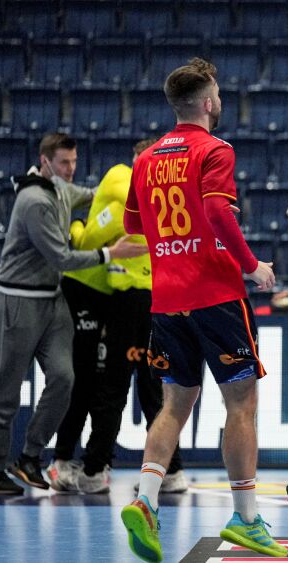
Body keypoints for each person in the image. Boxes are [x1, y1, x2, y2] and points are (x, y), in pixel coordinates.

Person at [120, 58, 284, 562]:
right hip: (215, 295)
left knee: (173, 406)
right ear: (209, 102)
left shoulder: (147, 158)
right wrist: (252, 266)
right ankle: (247, 519)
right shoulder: (215, 149)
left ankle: (146, 501)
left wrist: (175, 231)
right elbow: (215, 212)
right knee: (241, 404)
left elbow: (134, 226)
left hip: (167, 299)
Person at [0, 133, 144, 497]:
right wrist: (110, 253)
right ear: (45, 161)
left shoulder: (62, 188)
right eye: (64, 163)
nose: (71, 169)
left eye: (74, 161)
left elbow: (97, 195)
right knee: (7, 391)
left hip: (52, 300)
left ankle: (29, 456)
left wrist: (138, 189)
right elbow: (62, 257)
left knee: (64, 378)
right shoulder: (34, 200)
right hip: (18, 300)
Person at [52, 138, 185, 495]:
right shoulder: (171, 192)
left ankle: (95, 470)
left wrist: (76, 228)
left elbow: (86, 240)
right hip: (162, 300)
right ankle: (171, 471)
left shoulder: (123, 185)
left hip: (130, 301)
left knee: (112, 386)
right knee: (155, 389)